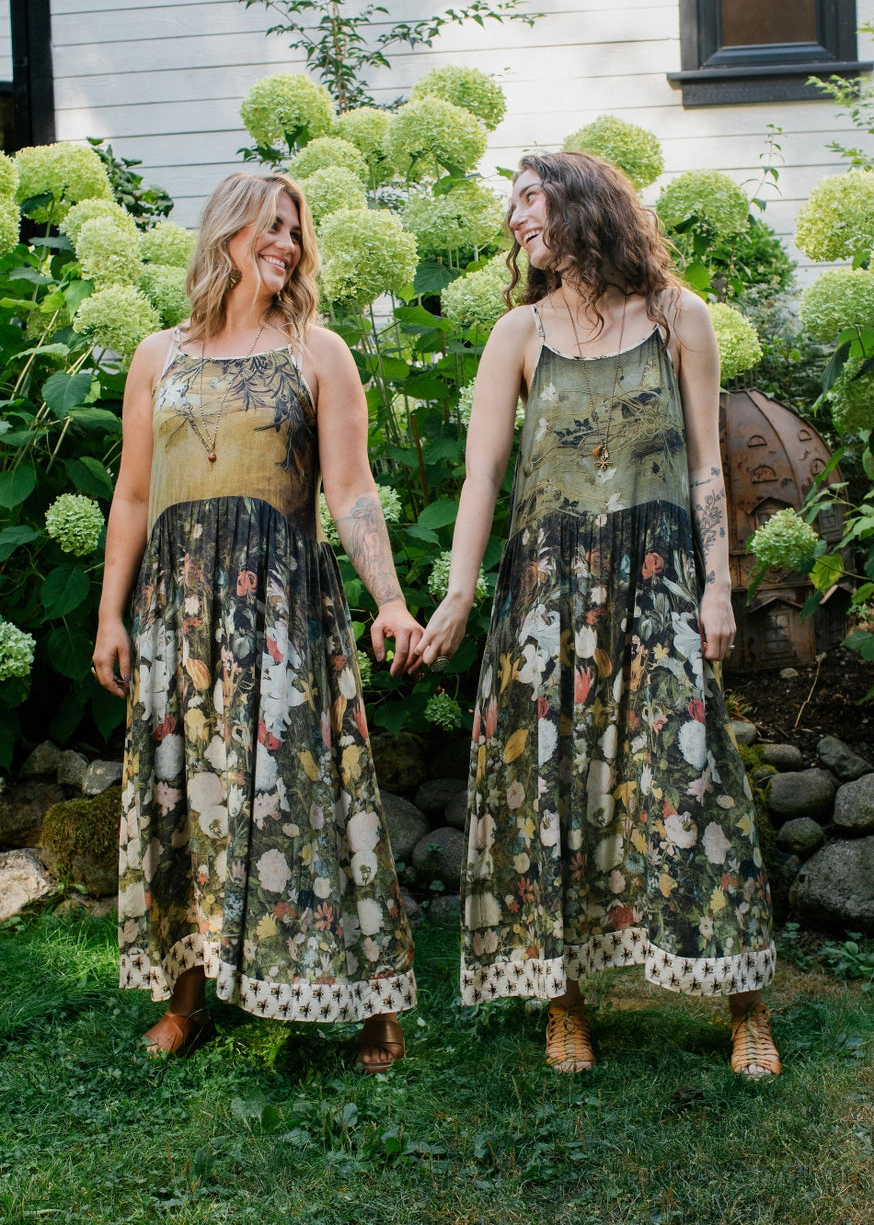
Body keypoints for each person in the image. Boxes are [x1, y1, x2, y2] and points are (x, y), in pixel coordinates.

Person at [416, 151, 780, 1078]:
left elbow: (707, 462)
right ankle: (563, 1003)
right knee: (549, 789)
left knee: (691, 777)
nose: (513, 221)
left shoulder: (677, 318)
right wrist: (458, 595)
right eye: (511, 208)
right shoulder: (519, 335)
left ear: (583, 205)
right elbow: (482, 475)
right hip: (549, 594)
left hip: (658, 587)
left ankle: (745, 1003)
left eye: (527, 200)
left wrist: (717, 585)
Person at [93, 171, 421, 1073]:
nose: (286, 241)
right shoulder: (158, 355)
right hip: (176, 615)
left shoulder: (319, 352)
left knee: (308, 795)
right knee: (188, 798)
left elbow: (351, 491)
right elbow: (130, 496)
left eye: (296, 229)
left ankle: (371, 1002)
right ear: (227, 232)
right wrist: (110, 615)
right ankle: (189, 992)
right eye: (270, 226)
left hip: (281, 609)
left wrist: (389, 597)